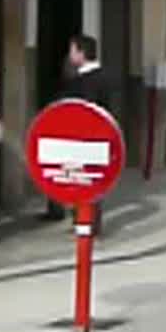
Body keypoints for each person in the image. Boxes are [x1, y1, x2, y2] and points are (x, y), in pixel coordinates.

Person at [59, 34, 110, 236]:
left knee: (85, 180)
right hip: (94, 137)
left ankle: (88, 224)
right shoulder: (98, 76)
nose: (70, 55)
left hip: (85, 138)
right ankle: (85, 222)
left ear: (81, 53)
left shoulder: (87, 81)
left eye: (72, 50)